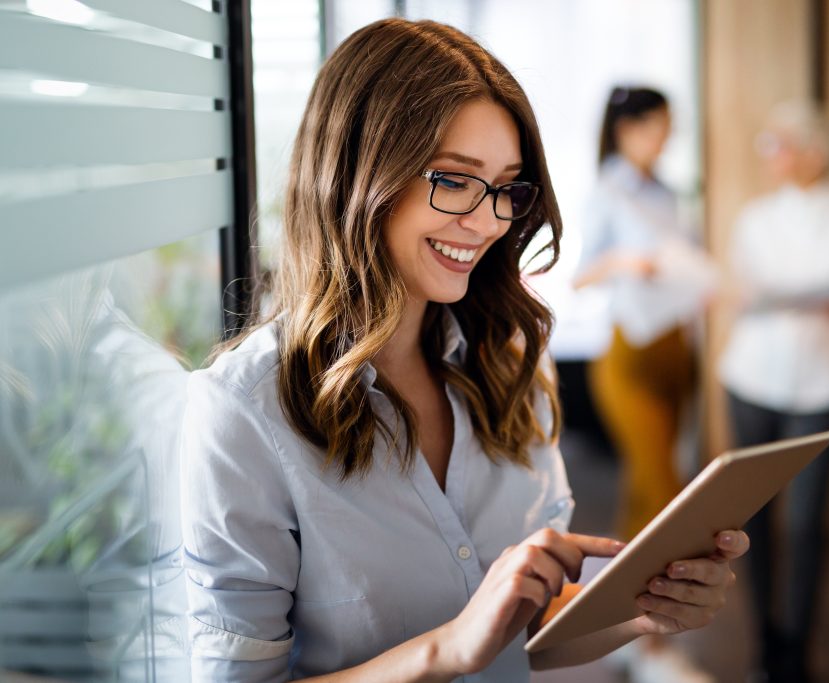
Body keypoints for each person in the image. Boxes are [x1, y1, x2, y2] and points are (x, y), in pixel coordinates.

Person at [180, 19, 748, 682]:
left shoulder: (511, 361)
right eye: (454, 179)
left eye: (507, 187)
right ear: (356, 173)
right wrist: (446, 650)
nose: (487, 221)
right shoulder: (243, 413)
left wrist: (642, 613)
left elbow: (536, 621)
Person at [716, 100, 829, 683]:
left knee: (807, 525)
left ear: (816, 152)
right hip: (751, 380)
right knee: (752, 522)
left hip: (822, 386)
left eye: (779, 144)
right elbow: (739, 293)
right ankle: (764, 645)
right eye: (768, 144)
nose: (770, 155)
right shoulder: (755, 219)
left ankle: (797, 654)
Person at [573, 86, 718, 542]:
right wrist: (625, 261)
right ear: (627, 129)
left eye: (671, 128)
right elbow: (579, 278)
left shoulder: (668, 193)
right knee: (663, 487)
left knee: (644, 483)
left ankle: (628, 576)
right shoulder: (608, 192)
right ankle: (661, 578)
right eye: (659, 127)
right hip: (631, 348)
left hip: (676, 345)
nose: (667, 138)